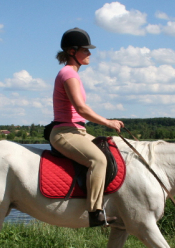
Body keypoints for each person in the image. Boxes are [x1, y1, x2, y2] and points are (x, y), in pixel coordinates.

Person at [49, 28, 124, 227]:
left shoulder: (73, 74)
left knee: (112, 149)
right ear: (72, 51)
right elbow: (81, 108)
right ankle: (95, 213)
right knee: (98, 160)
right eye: (85, 50)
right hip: (65, 133)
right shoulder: (68, 74)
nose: (90, 53)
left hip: (78, 131)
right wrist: (108, 123)